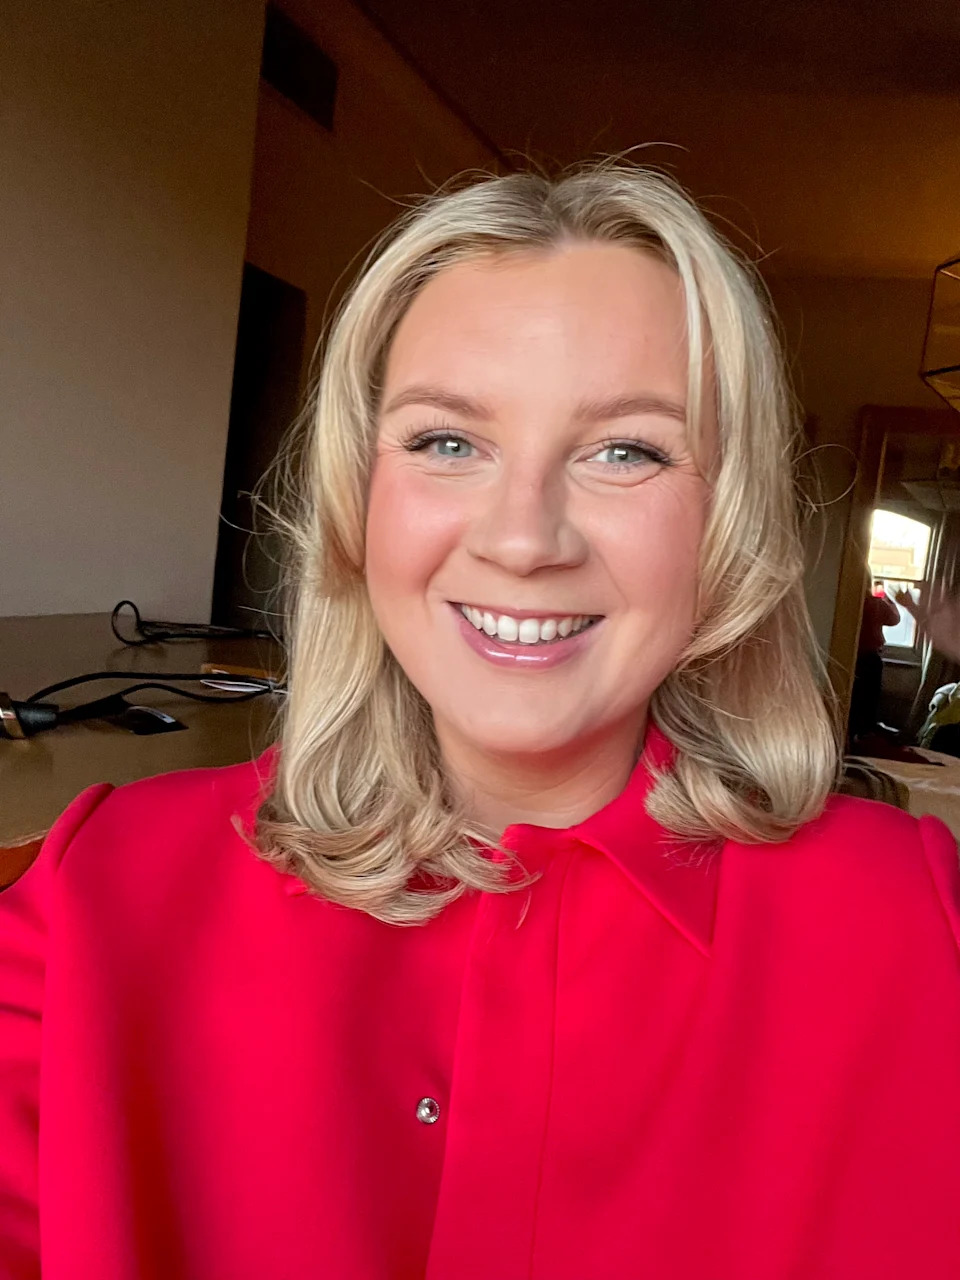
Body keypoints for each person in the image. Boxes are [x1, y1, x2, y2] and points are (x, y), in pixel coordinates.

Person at [2, 162, 959, 1280]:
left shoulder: (914, 925)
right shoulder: (101, 891)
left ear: (728, 521)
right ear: (358, 495)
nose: (522, 536)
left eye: (626, 449)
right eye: (448, 440)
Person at [848, 578, 899, 743]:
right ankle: (864, 732)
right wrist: (888, 599)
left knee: (855, 698)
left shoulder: (848, 602)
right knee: (869, 698)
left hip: (850, 657)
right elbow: (894, 619)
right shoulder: (875, 603)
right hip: (869, 657)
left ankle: (854, 731)